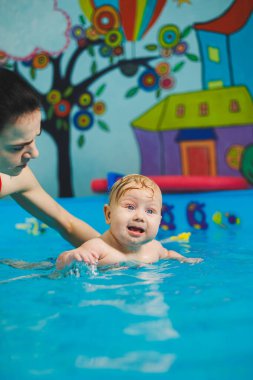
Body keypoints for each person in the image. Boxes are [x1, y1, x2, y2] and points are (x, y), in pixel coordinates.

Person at [0, 68, 99, 250]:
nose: (35, 153)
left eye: (36, 137)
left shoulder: (12, 179)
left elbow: (67, 224)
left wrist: (126, 254)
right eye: (17, 147)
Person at [56, 174, 203, 270]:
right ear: (109, 214)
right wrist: (71, 257)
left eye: (150, 211)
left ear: (159, 222)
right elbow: (62, 261)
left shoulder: (154, 248)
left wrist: (184, 259)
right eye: (130, 207)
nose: (140, 216)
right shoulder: (98, 247)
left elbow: (169, 254)